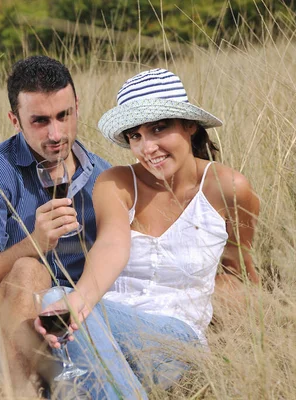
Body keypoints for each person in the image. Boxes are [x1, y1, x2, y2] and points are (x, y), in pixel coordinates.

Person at [36, 68, 261, 389]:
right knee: (56, 313)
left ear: (189, 125)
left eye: (159, 129)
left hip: (176, 341)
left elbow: (238, 270)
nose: (147, 147)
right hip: (107, 325)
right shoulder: (117, 182)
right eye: (135, 136)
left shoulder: (229, 188)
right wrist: (80, 299)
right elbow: (112, 244)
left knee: (59, 304)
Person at [0, 55, 147, 398]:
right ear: (16, 120)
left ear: (77, 108)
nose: (56, 134)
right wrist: (34, 242)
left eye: (63, 116)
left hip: (69, 321)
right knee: (30, 271)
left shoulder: (104, 176)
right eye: (40, 121)